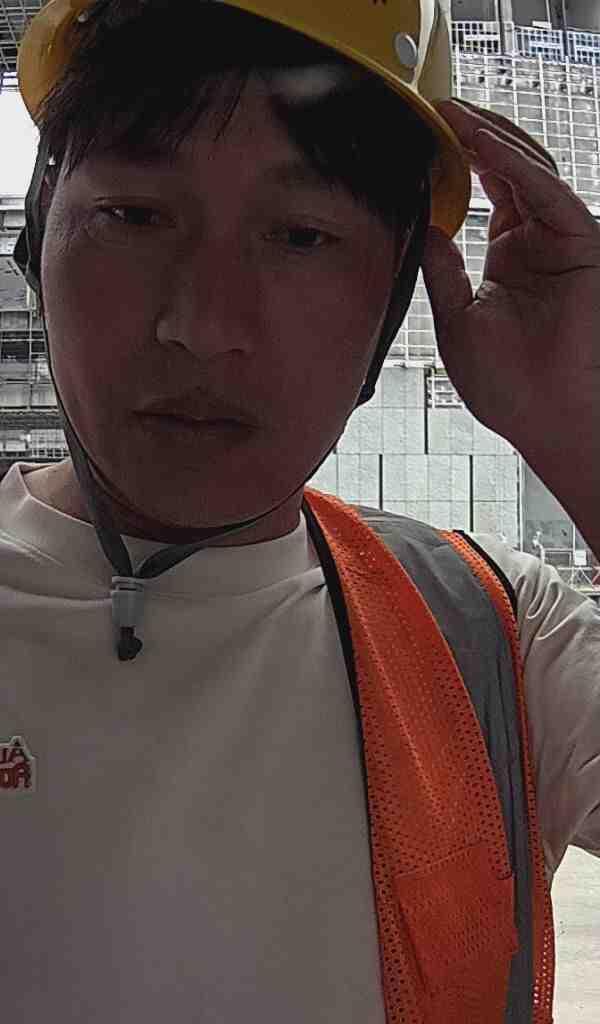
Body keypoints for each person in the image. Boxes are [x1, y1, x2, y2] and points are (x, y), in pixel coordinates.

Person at [1, 1, 599, 1021]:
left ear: (399, 292)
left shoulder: (498, 640)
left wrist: (587, 435)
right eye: (135, 216)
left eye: (300, 235)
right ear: (37, 237)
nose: (202, 325)